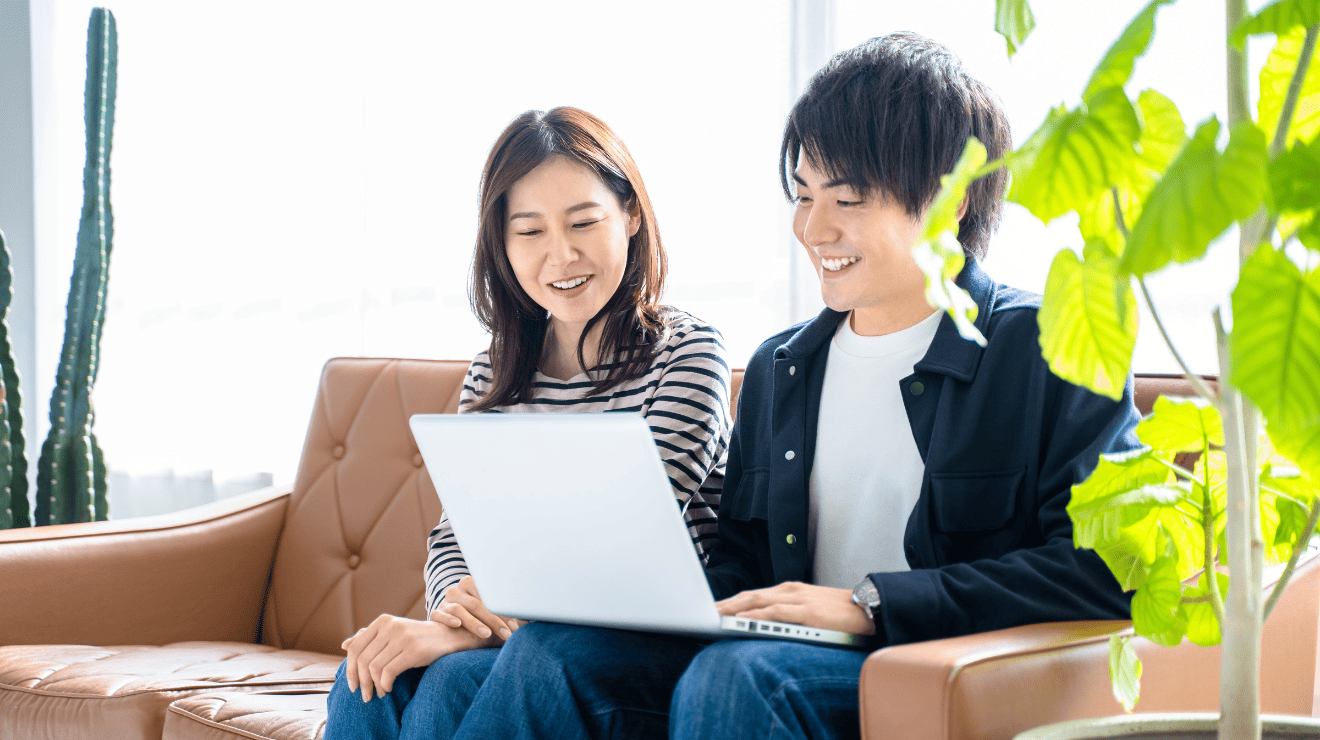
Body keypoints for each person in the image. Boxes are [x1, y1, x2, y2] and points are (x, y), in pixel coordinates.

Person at [425, 33, 1141, 740]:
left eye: (848, 199)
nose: (813, 228)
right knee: (539, 656)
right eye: (803, 195)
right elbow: (741, 565)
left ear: (952, 198)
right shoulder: (781, 367)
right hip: (770, 658)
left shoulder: (1053, 342)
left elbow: (1109, 566)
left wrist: (871, 605)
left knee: (734, 677)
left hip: (934, 669)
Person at [322, 107, 732, 740]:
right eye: (530, 231)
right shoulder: (496, 370)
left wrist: (478, 626)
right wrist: (455, 608)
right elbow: (456, 534)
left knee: (458, 679)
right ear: (502, 243)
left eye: (583, 223)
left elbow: (622, 534)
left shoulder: (689, 352)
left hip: (648, 645)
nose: (560, 255)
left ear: (630, 216)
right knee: (368, 675)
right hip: (527, 637)